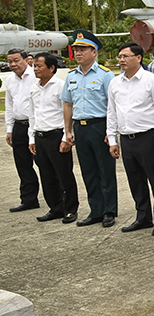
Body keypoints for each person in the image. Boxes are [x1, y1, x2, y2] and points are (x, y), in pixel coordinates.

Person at [107, 42, 154, 235]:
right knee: (135, 180)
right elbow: (112, 111)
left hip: (148, 136)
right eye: (120, 57)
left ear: (139, 58)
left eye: (126, 56)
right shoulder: (115, 83)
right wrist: (112, 139)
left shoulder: (151, 81)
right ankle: (143, 217)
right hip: (126, 138)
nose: (121, 60)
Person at [61, 30, 117, 228]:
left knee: (105, 169)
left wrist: (111, 133)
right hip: (80, 127)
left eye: (83, 49)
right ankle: (96, 210)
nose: (78, 53)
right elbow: (68, 104)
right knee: (88, 171)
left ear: (94, 52)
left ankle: (109, 210)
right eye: (76, 49)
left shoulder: (105, 75)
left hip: (99, 126)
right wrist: (67, 131)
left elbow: (112, 105)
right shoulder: (71, 76)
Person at [29, 53, 79, 223]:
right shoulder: (34, 88)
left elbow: (68, 113)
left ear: (51, 68)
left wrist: (67, 137)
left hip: (56, 135)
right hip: (40, 136)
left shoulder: (60, 86)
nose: (36, 69)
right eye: (34, 66)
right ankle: (55, 208)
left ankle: (71, 209)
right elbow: (32, 114)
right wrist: (32, 138)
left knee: (64, 174)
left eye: (39, 66)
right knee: (46, 175)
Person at [5, 48, 40, 212]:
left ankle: (57, 198)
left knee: (44, 163)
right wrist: (9, 129)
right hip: (19, 126)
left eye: (16, 60)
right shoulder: (10, 81)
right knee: (23, 165)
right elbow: (9, 106)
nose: (13, 64)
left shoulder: (37, 76)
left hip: (37, 126)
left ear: (27, 60)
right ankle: (28, 199)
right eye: (10, 61)